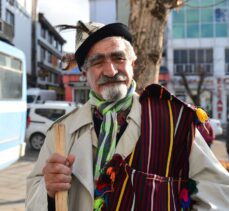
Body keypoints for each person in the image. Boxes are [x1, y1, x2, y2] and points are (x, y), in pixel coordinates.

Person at [26, 21, 229, 211]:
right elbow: (33, 198)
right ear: (84, 73)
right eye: (97, 62)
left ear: (132, 63)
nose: (111, 70)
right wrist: (48, 191)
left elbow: (218, 194)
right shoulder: (61, 133)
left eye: (118, 58)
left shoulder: (172, 121)